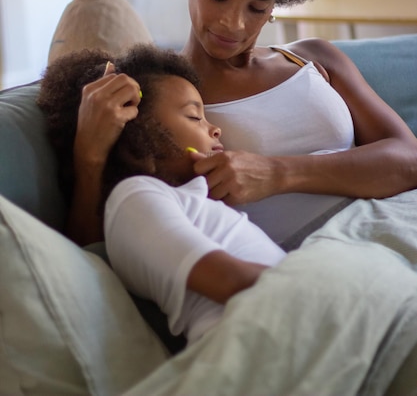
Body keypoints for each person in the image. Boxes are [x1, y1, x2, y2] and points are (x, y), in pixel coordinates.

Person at [70, 0, 417, 247]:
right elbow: (108, 242)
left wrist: (278, 173)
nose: (234, 24)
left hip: (392, 228)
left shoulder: (313, 57)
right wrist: (89, 157)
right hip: (316, 268)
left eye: (258, 7)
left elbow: (409, 159)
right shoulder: (165, 99)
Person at [37, 45, 286, 345]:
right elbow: (233, 282)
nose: (216, 129)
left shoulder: (189, 200)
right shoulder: (136, 198)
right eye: (194, 117)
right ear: (139, 137)